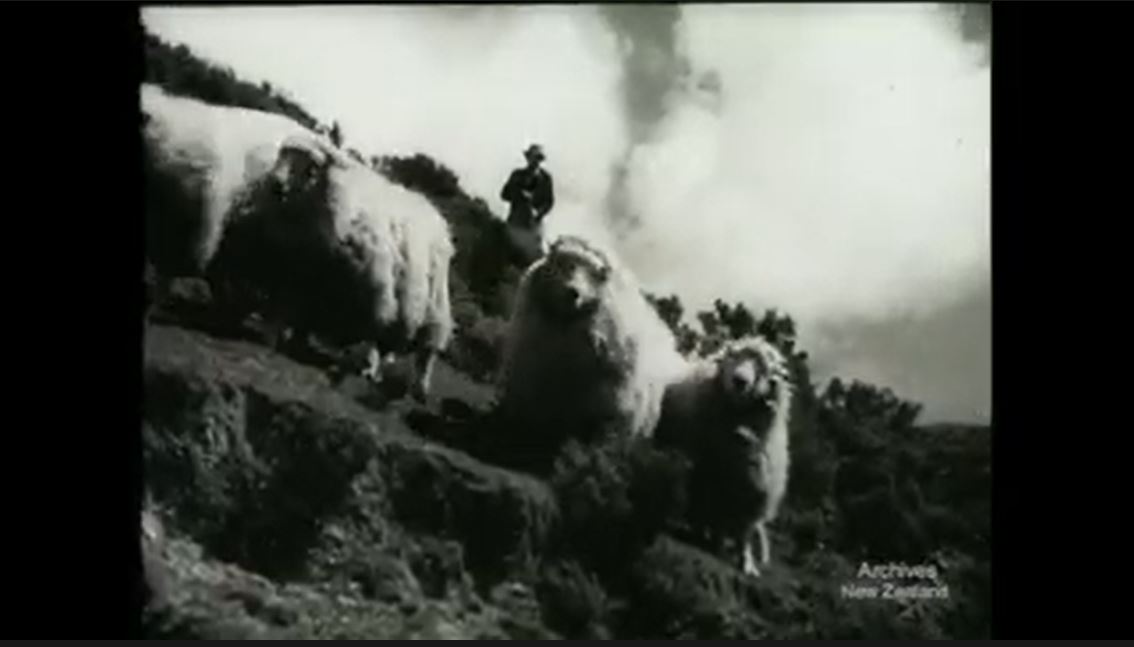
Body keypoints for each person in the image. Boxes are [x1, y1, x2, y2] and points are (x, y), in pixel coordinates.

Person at [500, 144, 555, 263]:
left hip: (534, 226)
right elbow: (504, 195)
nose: (535, 161)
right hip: (516, 223)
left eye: (538, 158)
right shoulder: (517, 175)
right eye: (533, 158)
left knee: (538, 258)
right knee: (507, 254)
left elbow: (549, 202)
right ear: (528, 158)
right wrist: (518, 194)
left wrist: (538, 213)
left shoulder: (545, 179)